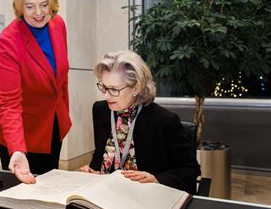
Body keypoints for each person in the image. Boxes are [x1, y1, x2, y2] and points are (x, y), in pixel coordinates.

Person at [0, 0, 71, 184]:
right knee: (23, 192)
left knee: (49, 184)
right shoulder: (8, 40)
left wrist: (62, 114)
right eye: (30, 6)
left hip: (51, 123)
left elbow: (60, 78)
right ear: (19, 6)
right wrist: (16, 148)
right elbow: (8, 103)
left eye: (44, 4)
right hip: (20, 128)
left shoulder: (58, 25)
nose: (39, 13)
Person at [80, 50, 200, 194]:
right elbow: (102, 153)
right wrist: (92, 171)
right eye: (104, 87)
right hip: (106, 194)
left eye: (113, 89)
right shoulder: (101, 110)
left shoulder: (164, 120)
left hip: (145, 198)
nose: (106, 95)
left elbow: (190, 170)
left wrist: (156, 179)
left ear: (136, 87)